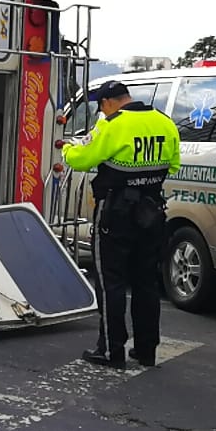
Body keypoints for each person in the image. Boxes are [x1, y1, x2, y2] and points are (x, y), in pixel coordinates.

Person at [61, 80, 181, 369]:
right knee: (146, 283)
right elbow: (174, 164)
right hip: (151, 213)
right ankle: (146, 350)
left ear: (108, 103)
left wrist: (66, 149)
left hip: (116, 214)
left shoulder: (112, 125)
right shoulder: (165, 123)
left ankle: (111, 351)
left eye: (102, 108)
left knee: (111, 283)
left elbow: (81, 159)